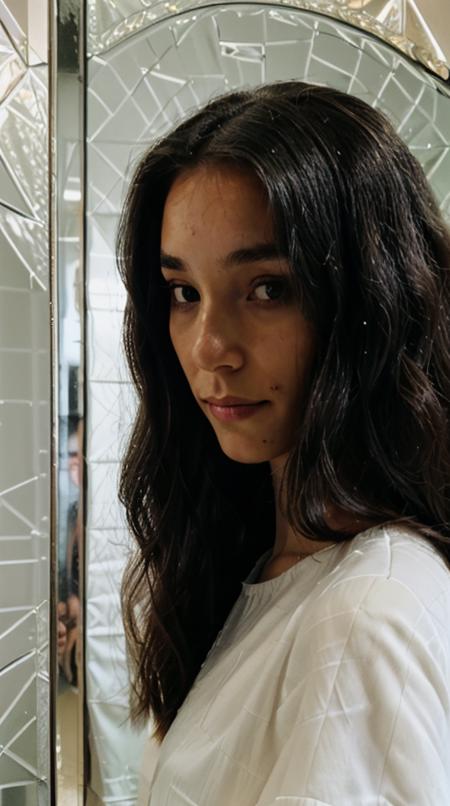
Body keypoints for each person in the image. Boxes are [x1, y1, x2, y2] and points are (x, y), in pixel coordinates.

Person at [116, 81, 450, 804]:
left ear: (373, 302)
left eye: (267, 288)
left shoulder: (362, 617)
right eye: (185, 292)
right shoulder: (271, 566)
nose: (210, 348)